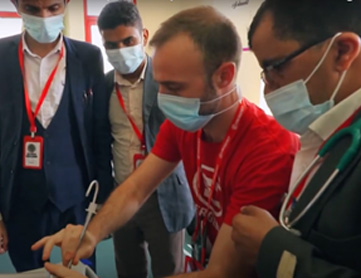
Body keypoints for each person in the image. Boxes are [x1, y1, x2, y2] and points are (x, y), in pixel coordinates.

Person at [32, 5, 299, 278]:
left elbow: (221, 272)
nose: (162, 97)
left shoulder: (267, 150)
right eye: (159, 84)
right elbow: (136, 188)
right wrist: (92, 233)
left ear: (224, 77)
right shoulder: (185, 125)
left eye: (173, 87)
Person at [231, 0, 361, 277]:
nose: (268, 89)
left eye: (276, 67)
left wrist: (274, 251)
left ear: (342, 52)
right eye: (264, 73)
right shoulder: (327, 133)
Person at [0, 0, 113, 272]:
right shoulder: (1, 56)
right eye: (32, 9)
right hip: (18, 200)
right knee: (29, 273)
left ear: (65, 3)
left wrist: (102, 205)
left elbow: (99, 134)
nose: (44, 16)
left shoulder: (88, 56)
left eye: (52, 8)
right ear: (16, 5)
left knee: (78, 271)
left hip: (76, 200)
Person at [99, 2, 194, 277]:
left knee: (169, 270)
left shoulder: (169, 80)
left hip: (162, 195)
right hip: (121, 193)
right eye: (111, 45)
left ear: (144, 36)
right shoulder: (103, 86)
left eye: (128, 40)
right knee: (128, 270)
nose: (120, 50)